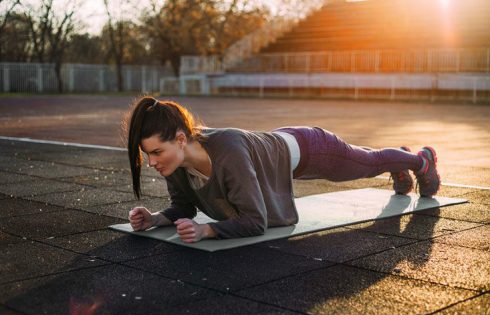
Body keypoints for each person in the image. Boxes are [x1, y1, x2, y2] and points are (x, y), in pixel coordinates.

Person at [125, 96, 440, 243]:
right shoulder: (179, 164)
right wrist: (155, 219)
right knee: (366, 160)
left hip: (313, 148)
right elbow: (183, 207)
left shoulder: (228, 152)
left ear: (180, 139)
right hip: (280, 148)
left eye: (156, 152)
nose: (152, 162)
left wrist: (208, 230)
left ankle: (419, 160)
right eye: (147, 154)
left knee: (367, 164)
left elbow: (255, 221)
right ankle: (400, 158)